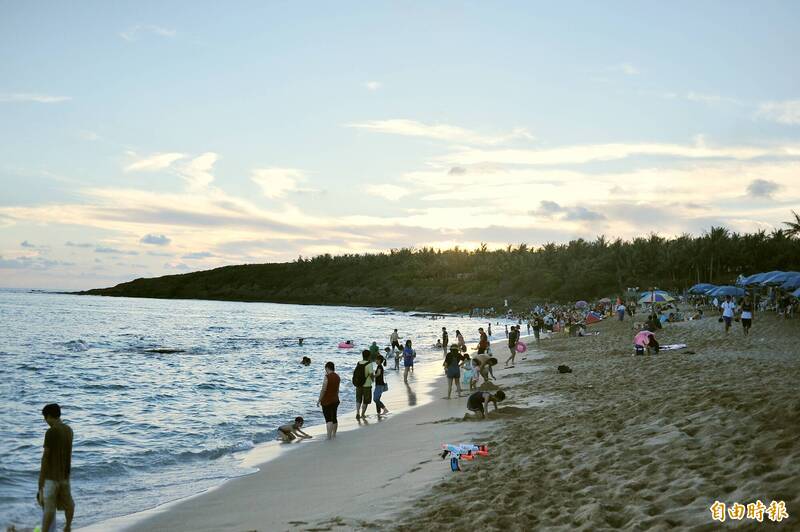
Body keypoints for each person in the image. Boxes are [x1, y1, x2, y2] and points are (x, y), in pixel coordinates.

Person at [38, 403, 74, 532]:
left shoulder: (51, 431)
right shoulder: (69, 430)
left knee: (49, 508)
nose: (45, 421)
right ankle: (68, 526)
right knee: (69, 503)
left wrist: (40, 481)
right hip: (65, 475)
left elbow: (45, 457)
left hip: (51, 476)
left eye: (45, 418)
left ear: (48, 416)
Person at [317, 361, 340, 439]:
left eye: (325, 369)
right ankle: (334, 434)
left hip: (327, 401)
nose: (325, 370)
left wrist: (319, 400)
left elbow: (323, 389)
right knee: (334, 417)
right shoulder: (337, 377)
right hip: (335, 400)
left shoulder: (327, 377)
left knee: (328, 419)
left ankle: (329, 436)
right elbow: (337, 390)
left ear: (327, 368)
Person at [355, 350, 374, 419]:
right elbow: (371, 374)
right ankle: (362, 414)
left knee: (358, 399)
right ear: (369, 356)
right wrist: (373, 380)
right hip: (367, 385)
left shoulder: (359, 363)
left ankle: (357, 413)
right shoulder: (369, 364)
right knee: (365, 400)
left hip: (358, 384)